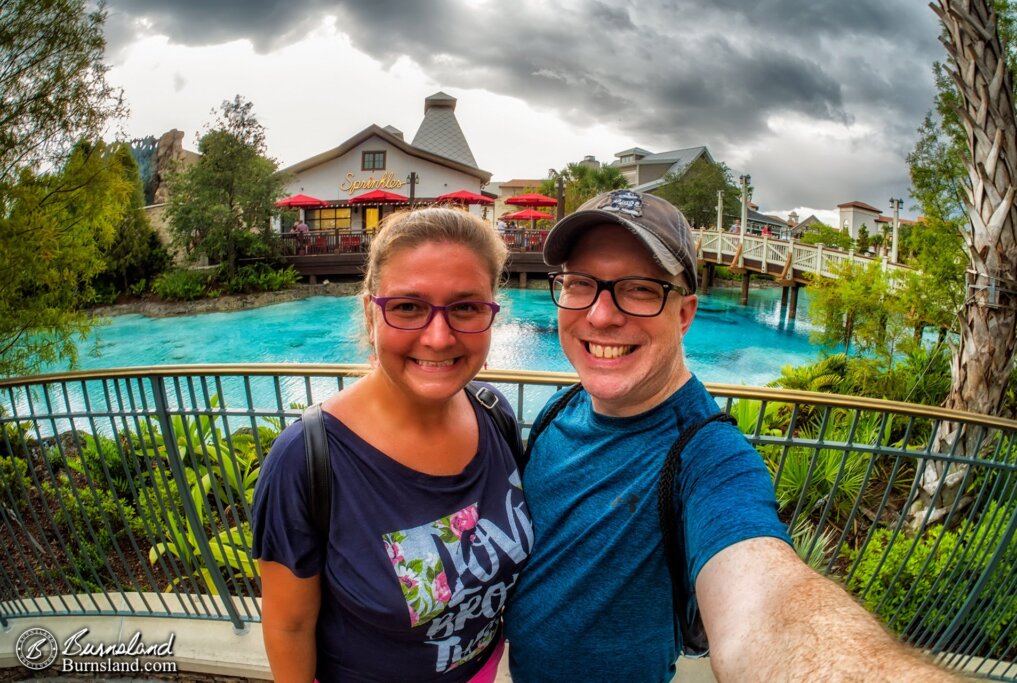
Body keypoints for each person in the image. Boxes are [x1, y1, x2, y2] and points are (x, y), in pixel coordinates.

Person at [503, 190, 956, 682]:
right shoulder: (560, 407)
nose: (601, 315)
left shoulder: (707, 457)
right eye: (579, 284)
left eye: (639, 289)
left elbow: (767, 599)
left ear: (684, 314)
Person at [252, 208, 532, 682]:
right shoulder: (308, 459)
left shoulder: (494, 414)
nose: (439, 337)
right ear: (370, 313)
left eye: (465, 307)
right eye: (408, 307)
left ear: (491, 313)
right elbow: (289, 625)